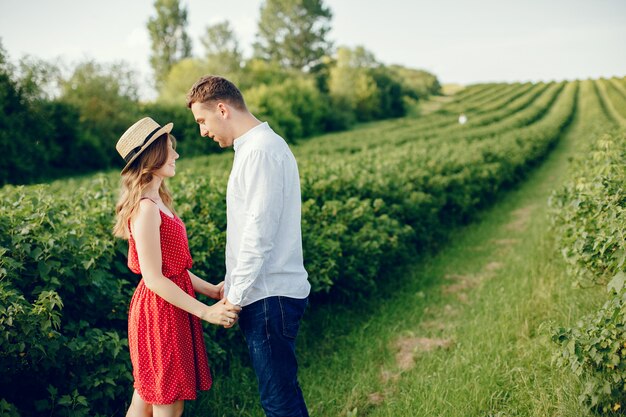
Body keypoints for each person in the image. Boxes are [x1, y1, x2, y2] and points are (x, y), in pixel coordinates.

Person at [186, 76, 312, 417]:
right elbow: (251, 230)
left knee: (278, 400)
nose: (203, 131)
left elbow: (259, 235)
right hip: (265, 290)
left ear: (222, 109)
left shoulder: (259, 151)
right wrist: (234, 281)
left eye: (202, 121)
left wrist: (236, 297)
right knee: (280, 394)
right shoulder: (257, 148)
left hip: (268, 296)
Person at [112, 117, 241, 417]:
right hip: (159, 312)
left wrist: (212, 290)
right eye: (169, 148)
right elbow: (154, 278)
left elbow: (174, 269)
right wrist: (206, 311)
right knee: (167, 401)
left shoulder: (159, 200)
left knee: (146, 401)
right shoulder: (145, 209)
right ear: (152, 155)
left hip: (170, 306)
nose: (176, 154)